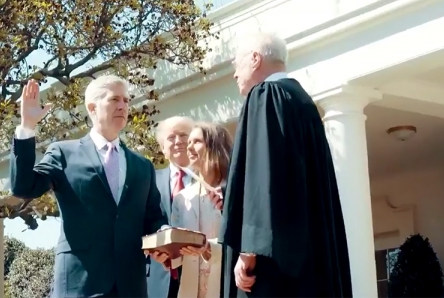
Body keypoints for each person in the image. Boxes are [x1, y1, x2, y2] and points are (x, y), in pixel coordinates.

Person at [218, 32, 353, 297]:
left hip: (274, 264)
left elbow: (264, 176)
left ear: (255, 59)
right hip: (309, 259)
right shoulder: (303, 103)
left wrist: (249, 249)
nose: (234, 74)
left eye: (237, 64)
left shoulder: (265, 95)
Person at [10, 76, 169, 298]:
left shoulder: (143, 166)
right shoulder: (63, 153)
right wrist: (27, 126)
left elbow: (154, 218)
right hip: (80, 284)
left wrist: (165, 238)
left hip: (130, 286)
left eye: (126, 100)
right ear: (92, 107)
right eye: (114, 99)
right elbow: (24, 187)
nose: (123, 106)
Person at [170, 122, 233, 298]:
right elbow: (177, 252)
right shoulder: (182, 198)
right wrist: (165, 253)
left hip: (227, 285)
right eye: (188, 142)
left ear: (215, 146)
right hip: (191, 289)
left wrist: (209, 248)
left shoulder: (234, 191)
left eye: (196, 141)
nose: (188, 147)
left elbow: (242, 242)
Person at [147, 116, 195, 298]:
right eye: (171, 137)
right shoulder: (149, 180)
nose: (178, 142)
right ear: (162, 148)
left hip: (202, 273)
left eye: (184, 135)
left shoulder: (209, 179)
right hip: (161, 278)